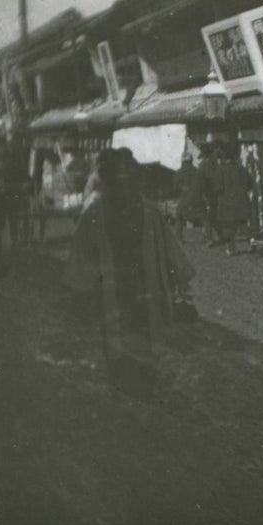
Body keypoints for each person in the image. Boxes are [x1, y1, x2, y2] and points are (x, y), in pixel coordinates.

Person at [62, 148, 195, 395]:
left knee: (142, 336)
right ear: (109, 181)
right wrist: (79, 290)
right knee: (118, 339)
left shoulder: (149, 210)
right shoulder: (95, 212)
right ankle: (126, 382)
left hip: (144, 286)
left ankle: (142, 381)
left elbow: (168, 247)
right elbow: (82, 252)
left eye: (128, 179)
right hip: (112, 289)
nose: (124, 187)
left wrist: (181, 282)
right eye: (118, 180)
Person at [210, 144, 253, 255]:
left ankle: (231, 248)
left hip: (226, 203)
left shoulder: (221, 170)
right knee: (243, 224)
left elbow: (217, 187)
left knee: (228, 228)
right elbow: (249, 182)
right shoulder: (240, 168)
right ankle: (251, 244)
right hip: (241, 202)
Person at [174, 150, 207, 239]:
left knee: (179, 217)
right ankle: (209, 238)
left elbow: (175, 188)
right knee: (204, 218)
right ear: (191, 160)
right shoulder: (198, 172)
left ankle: (179, 237)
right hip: (197, 200)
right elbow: (203, 187)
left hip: (184, 200)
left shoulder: (178, 172)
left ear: (182, 161)